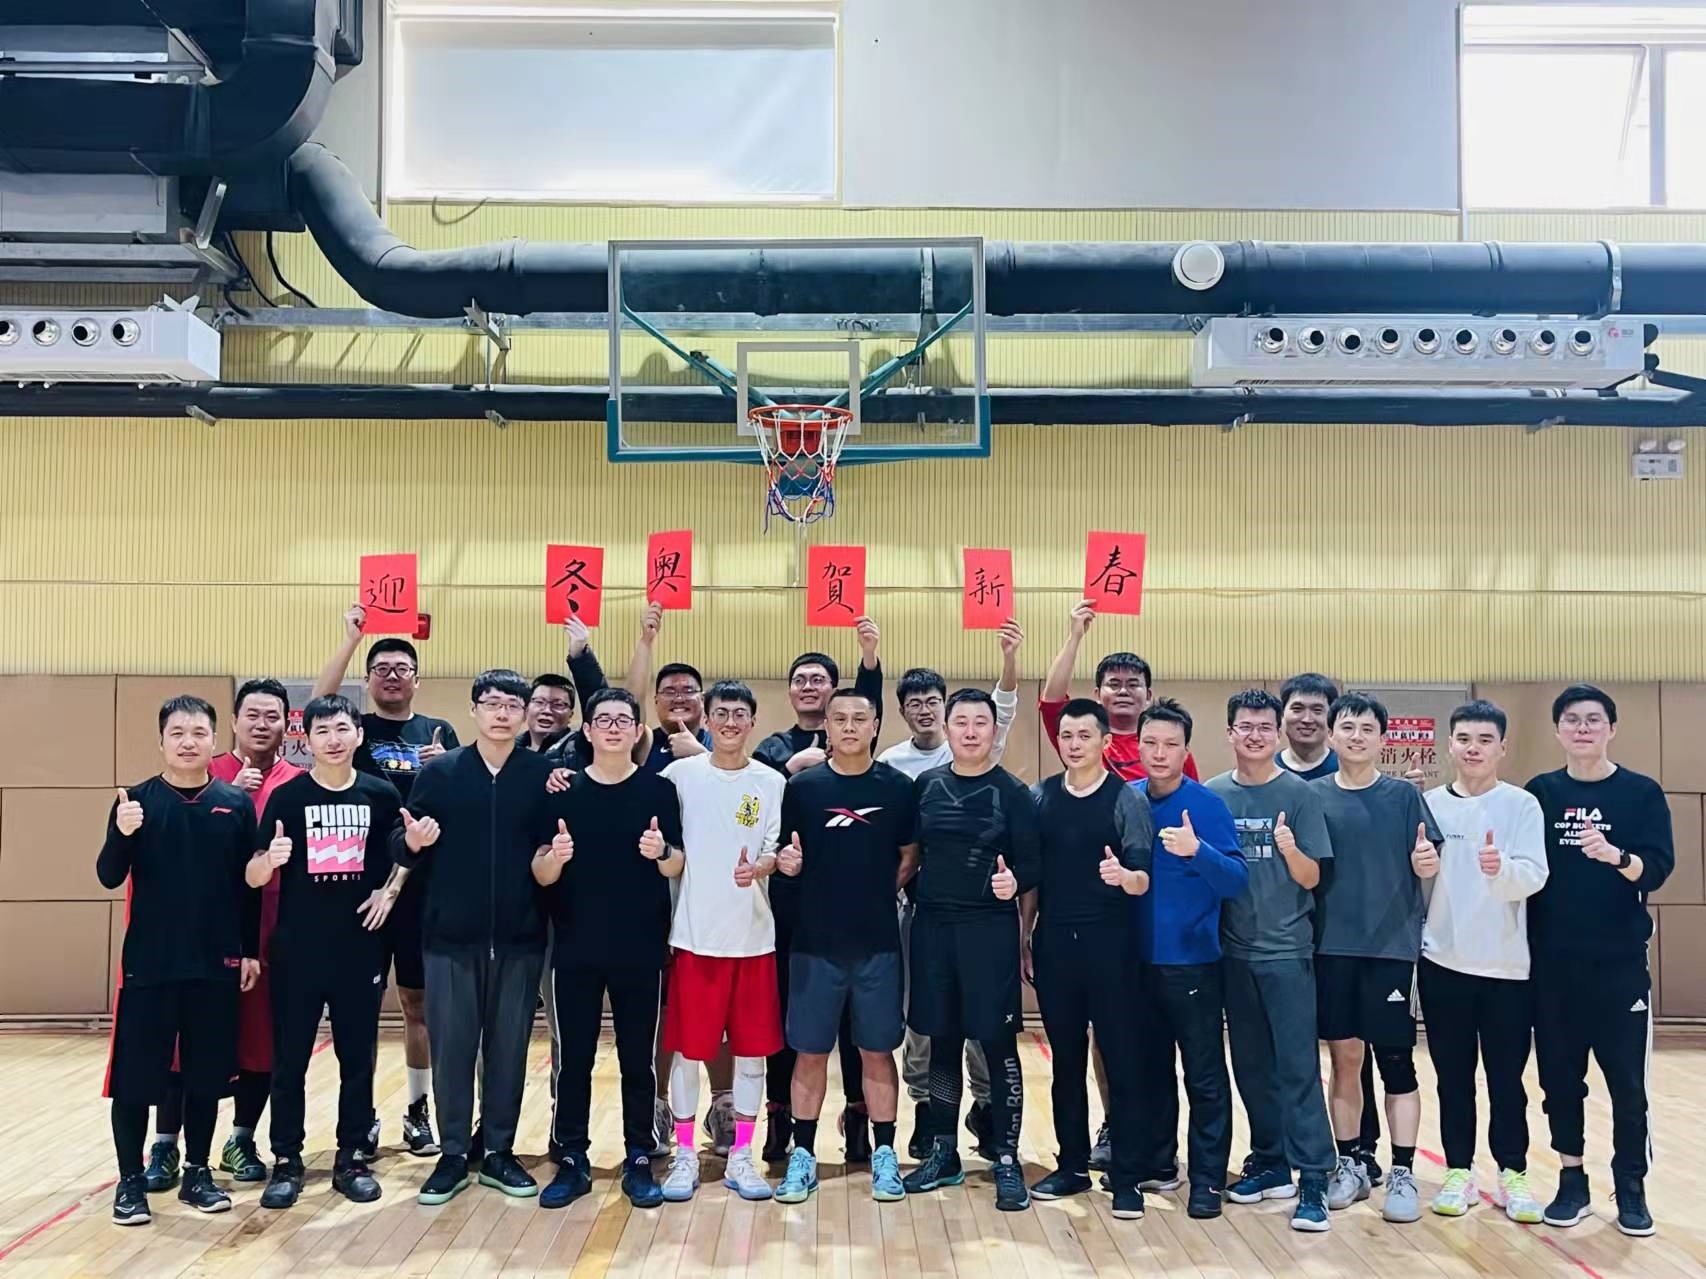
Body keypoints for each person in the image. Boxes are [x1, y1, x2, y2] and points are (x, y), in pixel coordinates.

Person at [1038, 597, 1195, 1171]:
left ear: (1149, 696)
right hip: (1089, 925)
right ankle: (1114, 1129)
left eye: (1133, 684)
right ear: (1098, 695)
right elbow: (1051, 698)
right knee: (1104, 1042)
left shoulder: (1171, 753)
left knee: (1147, 1042)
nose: (1123, 691)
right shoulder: (1080, 743)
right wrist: (1075, 635)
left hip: (1154, 919)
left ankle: (1155, 1146)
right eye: (1113, 683)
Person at [389, 669, 555, 1206]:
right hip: (449, 938)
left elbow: (550, 849)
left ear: (526, 714)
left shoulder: (542, 775)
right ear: (474, 710)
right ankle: (454, 1153)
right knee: (453, 1050)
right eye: (492, 703)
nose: (502, 713)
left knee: (508, 1050)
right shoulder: (442, 773)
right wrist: (412, 841)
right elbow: (402, 839)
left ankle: (500, 1150)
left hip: (521, 937)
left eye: (513, 705)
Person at [98, 695, 260, 1226]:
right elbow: (107, 875)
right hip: (150, 964)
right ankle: (130, 1181)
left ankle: (197, 1173)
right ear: (162, 740)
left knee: (205, 1077)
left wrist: (249, 951)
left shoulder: (236, 805)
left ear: (215, 741)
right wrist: (122, 833)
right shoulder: (135, 801)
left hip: (215, 963)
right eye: (177, 733)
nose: (188, 742)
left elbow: (248, 887)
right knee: (134, 1080)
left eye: (198, 733)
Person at [142, 679, 305, 1193]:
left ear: (288, 725)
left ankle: (241, 1138)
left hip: (269, 932)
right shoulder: (199, 772)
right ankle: (165, 1144)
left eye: (272, 716)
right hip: (197, 935)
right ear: (232, 723)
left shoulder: (299, 782)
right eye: (251, 714)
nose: (261, 724)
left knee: (260, 1042)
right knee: (181, 1045)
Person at [313, 607, 460, 1158]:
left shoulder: (440, 734)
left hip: (422, 891)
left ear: (417, 680)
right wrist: (351, 640)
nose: (392, 676)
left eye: (402, 669)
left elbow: (456, 803)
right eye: (382, 669)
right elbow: (320, 704)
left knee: (418, 1005)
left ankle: (419, 1111)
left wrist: (448, 764)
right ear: (369, 679)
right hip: (363, 891)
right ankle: (362, 1116)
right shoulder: (355, 730)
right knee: (360, 1011)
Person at [1527, 684, 1673, 1237]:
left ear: (1611, 728)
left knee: (1627, 1087)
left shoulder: (1641, 793)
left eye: (1593, 719)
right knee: (1561, 1083)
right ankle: (1572, 1181)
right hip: (1553, 968)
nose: (1582, 728)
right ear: (1558, 730)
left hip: (1618, 968)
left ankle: (1631, 1185)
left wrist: (1617, 857)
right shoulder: (1540, 793)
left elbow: (1657, 869)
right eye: (1572, 719)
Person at [535, 687, 689, 1210]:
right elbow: (540, 871)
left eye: (625, 720)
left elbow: (677, 864)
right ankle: (572, 1157)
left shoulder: (659, 791)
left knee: (638, 1060)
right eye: (604, 719)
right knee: (573, 1059)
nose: (615, 727)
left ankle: (639, 1156)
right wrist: (555, 858)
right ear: (588, 730)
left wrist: (661, 851)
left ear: (638, 731)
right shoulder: (562, 790)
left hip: (640, 946)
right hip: (575, 945)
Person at [250, 694, 405, 1209]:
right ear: (307, 739)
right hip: (297, 951)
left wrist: (389, 891)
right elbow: (251, 873)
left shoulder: (380, 794)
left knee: (357, 1059)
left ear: (358, 734)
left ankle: (351, 1157)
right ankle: (287, 1160)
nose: (333, 739)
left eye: (342, 728)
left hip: (359, 951)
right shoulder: (287, 798)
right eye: (322, 731)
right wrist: (269, 861)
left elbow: (404, 856)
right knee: (289, 1061)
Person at [878, 622, 1022, 1161]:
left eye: (933, 701)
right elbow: (902, 848)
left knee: (985, 1029)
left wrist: (1009, 658)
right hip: (924, 916)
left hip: (983, 923)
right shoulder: (901, 769)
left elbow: (1003, 705)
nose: (926, 711)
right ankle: (929, 1116)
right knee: (927, 1022)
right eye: (914, 703)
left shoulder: (991, 767)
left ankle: (988, 1112)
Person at [773, 686, 918, 1206]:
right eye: (840, 719)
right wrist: (788, 866)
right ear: (827, 727)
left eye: (860, 718)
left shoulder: (898, 788)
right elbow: (786, 853)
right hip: (814, 945)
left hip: (877, 945)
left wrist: (875, 895)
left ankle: (885, 1154)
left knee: (877, 1051)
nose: (850, 726)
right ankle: (803, 1155)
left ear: (875, 726)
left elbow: (909, 856)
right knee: (810, 1052)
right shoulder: (803, 789)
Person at [902, 688, 1040, 1213]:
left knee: (997, 1044)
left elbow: (1034, 863)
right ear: (947, 728)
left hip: (988, 933)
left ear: (992, 729)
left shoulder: (1013, 792)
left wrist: (1015, 883)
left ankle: (1005, 1157)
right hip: (933, 931)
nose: (970, 731)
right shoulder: (926, 786)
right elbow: (910, 855)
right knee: (942, 1041)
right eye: (960, 722)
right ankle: (943, 1152)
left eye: (980, 722)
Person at [1207, 689, 1337, 1232]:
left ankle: (1315, 1176)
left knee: (1297, 1068)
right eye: (1246, 726)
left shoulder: (1299, 795)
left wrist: (1288, 848)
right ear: (1230, 734)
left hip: (1287, 952)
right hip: (1233, 954)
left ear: (1277, 733)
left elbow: (1313, 877)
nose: (1256, 734)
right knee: (1251, 1065)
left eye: (1265, 726)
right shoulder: (1213, 794)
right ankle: (1270, 1160)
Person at [754, 621, 883, 1163]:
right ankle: (780, 1116)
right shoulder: (772, 748)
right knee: (790, 1020)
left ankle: (858, 1117)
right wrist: (790, 769)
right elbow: (755, 807)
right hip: (792, 911)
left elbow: (870, 702)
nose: (809, 687)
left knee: (857, 1023)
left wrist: (869, 657)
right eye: (800, 680)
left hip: (855, 913)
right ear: (790, 691)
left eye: (819, 680)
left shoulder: (857, 746)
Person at [1313, 692, 1443, 1224]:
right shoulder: (1313, 796)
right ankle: (1350, 1162)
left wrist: (1427, 861)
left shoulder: (1405, 797)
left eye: (1368, 728)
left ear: (1382, 740)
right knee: (1344, 1059)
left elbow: (1429, 861)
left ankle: (1403, 1170)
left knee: (1395, 1061)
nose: (1357, 736)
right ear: (1332, 735)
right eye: (1348, 727)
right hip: (1331, 947)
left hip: (1390, 949)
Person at [1020, 699, 1152, 1222]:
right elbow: (1031, 878)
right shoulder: (1041, 797)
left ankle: (1128, 1176)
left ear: (1105, 742)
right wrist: (1024, 936)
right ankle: (1071, 1164)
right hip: (1055, 945)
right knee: (1066, 1063)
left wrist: (1125, 878)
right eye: (1067, 736)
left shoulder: (1126, 799)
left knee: (1122, 1060)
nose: (1074, 745)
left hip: (1112, 946)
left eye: (1084, 736)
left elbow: (1143, 877)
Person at [1417, 699, 1548, 1223]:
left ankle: (1513, 1172)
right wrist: (1420, 865)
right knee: (1452, 1076)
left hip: (1506, 968)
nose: (1474, 749)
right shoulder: (1429, 804)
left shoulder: (1522, 805)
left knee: (1506, 1079)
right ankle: (1458, 1170)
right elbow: (1418, 881)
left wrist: (1501, 869)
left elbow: (1535, 874)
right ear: (1450, 745)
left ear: (1502, 747)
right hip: (1442, 961)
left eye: (1485, 740)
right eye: (1465, 739)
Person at [653, 680, 780, 1204]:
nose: (730, 722)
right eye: (721, 713)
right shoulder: (679, 775)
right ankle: (685, 1154)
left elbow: (773, 848)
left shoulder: (771, 782)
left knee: (751, 1057)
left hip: (754, 940)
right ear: (707, 719)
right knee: (688, 1055)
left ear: (752, 722)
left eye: (740, 714)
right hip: (694, 938)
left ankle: (742, 1155)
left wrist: (763, 866)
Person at [1131, 698, 1246, 1221]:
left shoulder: (1207, 806)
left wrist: (1197, 849)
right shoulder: (1127, 800)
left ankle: (1207, 1179)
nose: (1160, 753)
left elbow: (1237, 881)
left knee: (1203, 1075)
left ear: (1186, 750)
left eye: (1170, 744)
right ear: (1137, 746)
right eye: (1151, 743)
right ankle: (1159, 1163)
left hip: (1194, 964)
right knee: (1149, 1071)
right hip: (1136, 965)